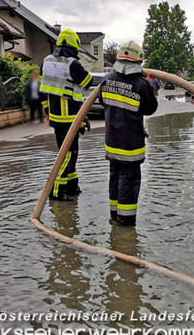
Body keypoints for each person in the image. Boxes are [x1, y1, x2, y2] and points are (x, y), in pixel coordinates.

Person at [99, 40, 158, 226]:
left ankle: (114, 216)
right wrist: (152, 86)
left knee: (115, 177)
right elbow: (150, 109)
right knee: (129, 182)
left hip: (112, 143)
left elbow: (102, 101)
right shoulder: (141, 85)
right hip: (131, 146)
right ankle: (125, 223)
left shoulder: (107, 80)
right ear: (137, 62)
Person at [40, 29, 93, 201]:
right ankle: (56, 191)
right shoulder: (72, 64)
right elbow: (87, 82)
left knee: (70, 153)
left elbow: (44, 91)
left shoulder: (46, 62)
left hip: (56, 117)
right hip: (70, 117)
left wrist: (47, 112)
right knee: (69, 154)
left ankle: (71, 187)